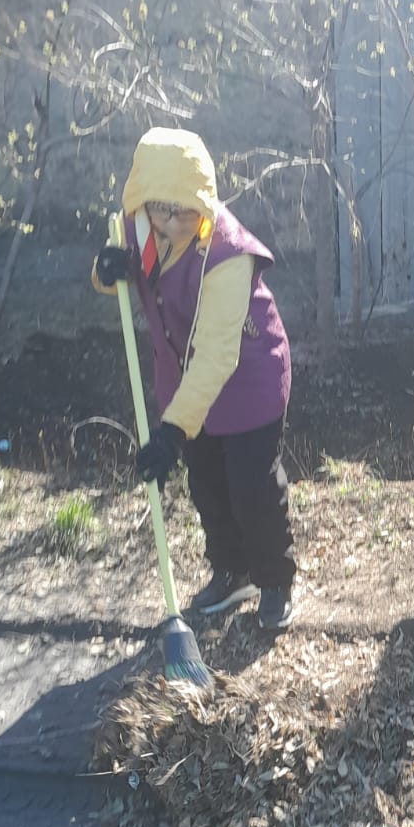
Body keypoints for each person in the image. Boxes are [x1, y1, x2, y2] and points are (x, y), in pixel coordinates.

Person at [92, 126, 297, 631]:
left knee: (251, 486)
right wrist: (107, 271)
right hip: (184, 381)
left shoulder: (227, 253)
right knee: (206, 483)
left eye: (181, 210)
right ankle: (232, 571)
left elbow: (217, 356)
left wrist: (170, 432)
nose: (169, 221)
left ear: (200, 202)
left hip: (247, 376)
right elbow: (123, 274)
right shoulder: (137, 228)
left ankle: (274, 579)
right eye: (159, 209)